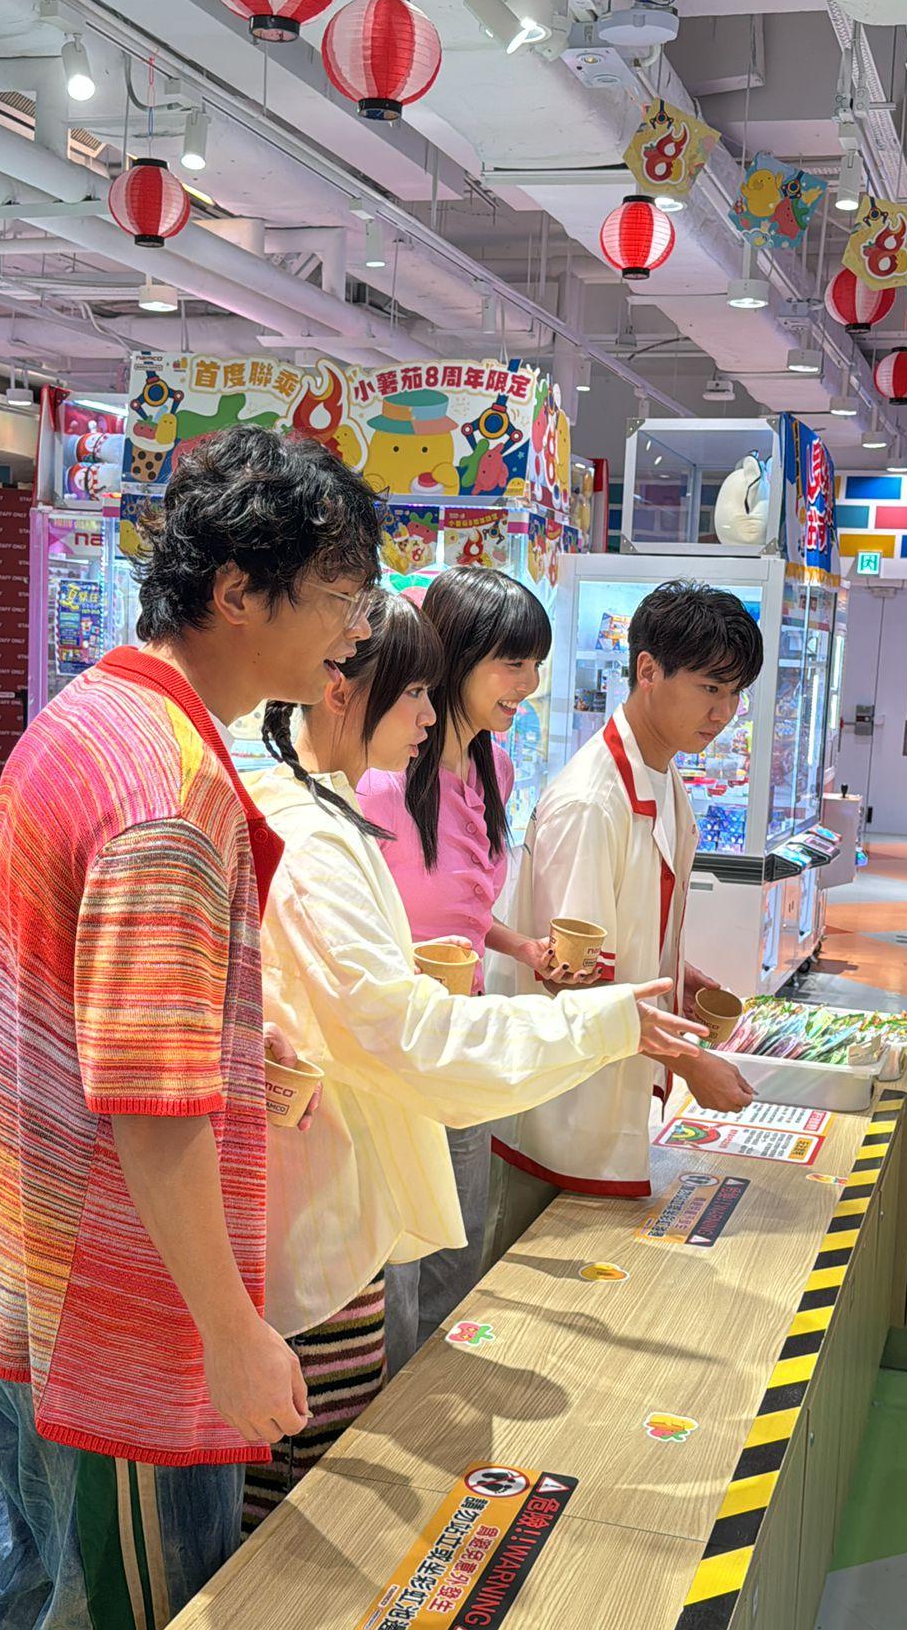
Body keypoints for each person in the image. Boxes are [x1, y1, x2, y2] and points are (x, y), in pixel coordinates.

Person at [0, 424, 382, 1630]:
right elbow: (149, 1107)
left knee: (26, 1569)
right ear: (238, 591)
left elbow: (84, 1006)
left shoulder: (90, 711)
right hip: (111, 1316)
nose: (357, 632)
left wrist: (237, 1042)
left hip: (18, 1263)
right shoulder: (174, 790)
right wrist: (232, 1330)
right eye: (341, 595)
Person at [245, 588, 710, 1516]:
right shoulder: (320, 828)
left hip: (371, 1134)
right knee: (309, 1483)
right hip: (333, 1171)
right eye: (415, 692)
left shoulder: (340, 802)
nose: (428, 716)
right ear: (338, 685)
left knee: (411, 1313)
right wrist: (602, 1023)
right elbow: (405, 1031)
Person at [489, 578, 763, 1258]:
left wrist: (676, 975)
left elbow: (626, 926)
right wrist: (691, 1061)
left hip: (606, 1077)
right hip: (559, 1094)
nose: (724, 712)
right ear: (647, 669)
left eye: (735, 693)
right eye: (709, 687)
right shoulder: (592, 800)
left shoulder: (661, 774)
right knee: (528, 1272)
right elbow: (574, 978)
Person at [357, 567, 568, 1369]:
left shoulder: (494, 769)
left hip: (464, 1035)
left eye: (536, 663)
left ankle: (432, 1401)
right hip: (394, 1046)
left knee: (459, 1241)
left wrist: (520, 948)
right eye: (513, 662)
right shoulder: (378, 783)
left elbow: (462, 909)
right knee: (399, 1261)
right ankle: (385, 1408)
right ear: (455, 657)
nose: (530, 684)